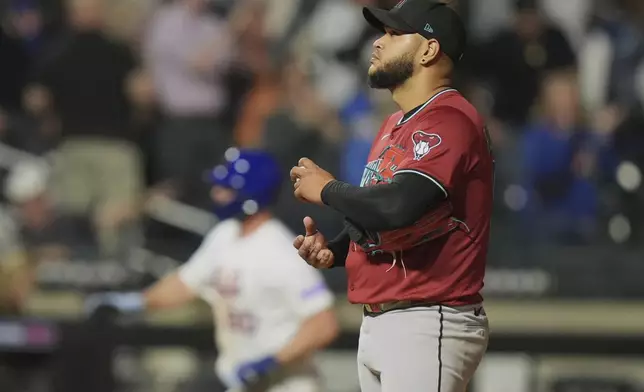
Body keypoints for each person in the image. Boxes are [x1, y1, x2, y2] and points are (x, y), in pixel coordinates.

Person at [290, 1, 493, 391]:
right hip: (389, 318)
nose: (378, 42)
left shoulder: (450, 119)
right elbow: (383, 214)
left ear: (429, 49)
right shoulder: (395, 123)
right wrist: (335, 250)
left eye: (394, 33)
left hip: (426, 318)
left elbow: (399, 205)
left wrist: (328, 190)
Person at [85, 148, 339, 392]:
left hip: (287, 385)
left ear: (250, 194)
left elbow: (324, 324)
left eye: (226, 189)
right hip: (242, 382)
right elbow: (185, 282)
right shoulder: (224, 235)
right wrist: (133, 303)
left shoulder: (280, 250)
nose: (217, 194)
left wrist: (270, 363)